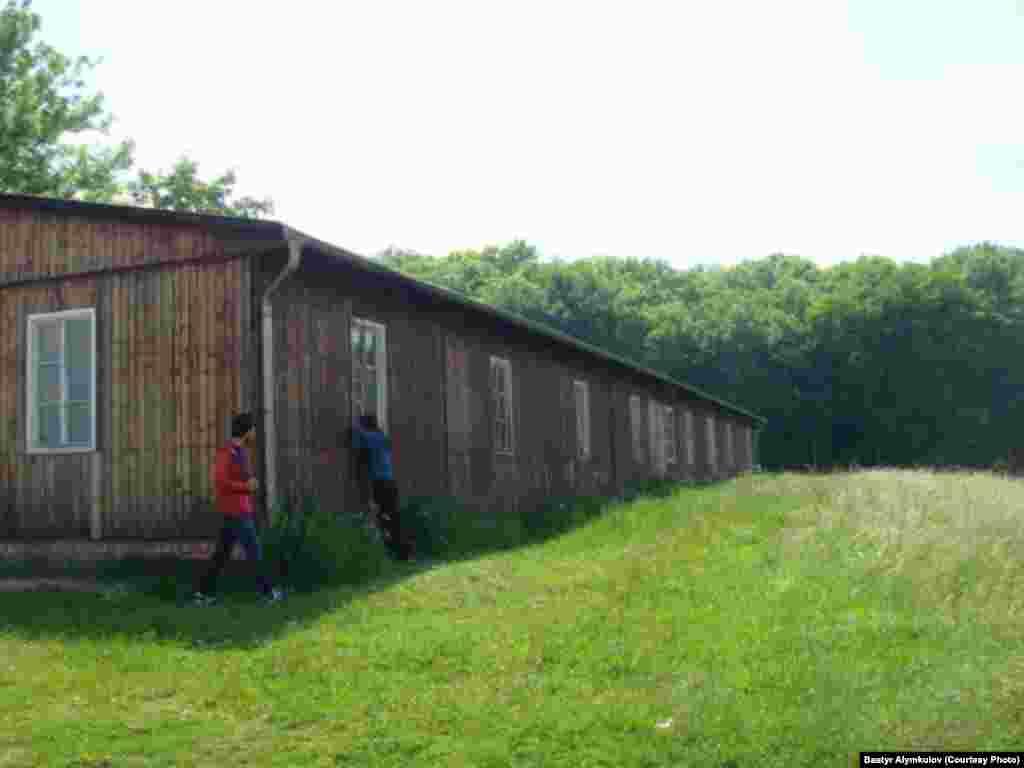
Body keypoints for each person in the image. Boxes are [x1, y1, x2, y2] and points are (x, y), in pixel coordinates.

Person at [193, 412, 284, 605]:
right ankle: (268, 594)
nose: (254, 433)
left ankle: (203, 594)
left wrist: (248, 485)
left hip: (238, 511)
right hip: (236, 513)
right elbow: (220, 481)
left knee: (221, 555)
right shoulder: (227, 452)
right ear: (247, 431)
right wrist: (246, 486)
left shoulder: (241, 451)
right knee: (254, 552)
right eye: (253, 429)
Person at [352, 412, 411, 561]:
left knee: (383, 518)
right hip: (390, 483)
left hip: (380, 484)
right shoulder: (382, 437)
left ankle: (393, 552)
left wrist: (356, 423)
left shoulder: (368, 437)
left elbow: (356, 433)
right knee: (394, 518)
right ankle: (403, 552)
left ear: (365, 425)